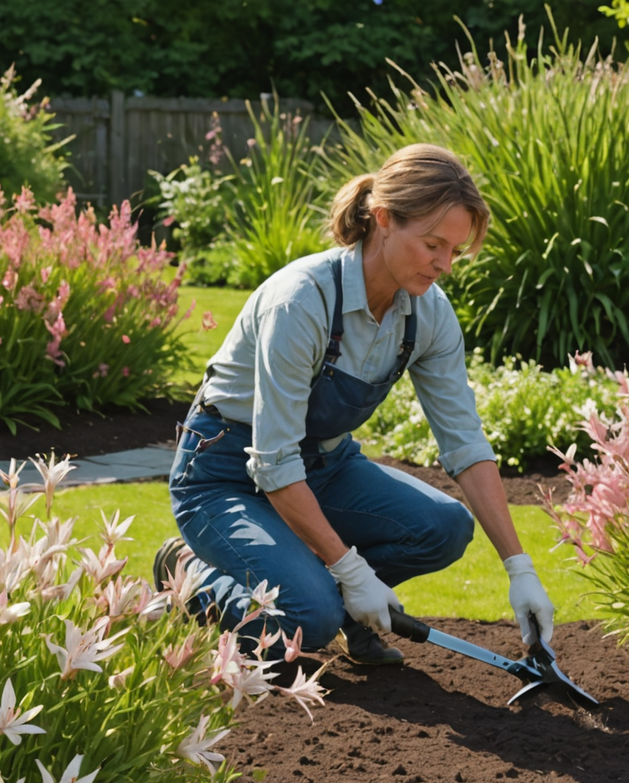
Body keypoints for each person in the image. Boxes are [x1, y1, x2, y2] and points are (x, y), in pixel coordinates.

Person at [157, 143, 555, 664]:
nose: (445, 265)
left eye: (455, 251)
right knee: (308, 618)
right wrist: (351, 572)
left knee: (445, 527)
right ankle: (186, 571)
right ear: (384, 219)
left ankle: (344, 610)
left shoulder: (427, 314)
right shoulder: (302, 300)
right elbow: (274, 461)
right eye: (434, 244)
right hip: (226, 473)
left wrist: (519, 568)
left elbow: (464, 443)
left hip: (323, 466)